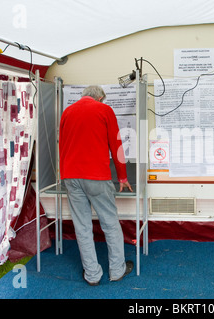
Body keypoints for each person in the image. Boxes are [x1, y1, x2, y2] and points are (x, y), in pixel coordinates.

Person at [59, 85, 133, 286]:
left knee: (82, 226)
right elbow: (116, 145)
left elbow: (62, 145)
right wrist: (123, 177)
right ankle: (117, 271)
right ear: (100, 98)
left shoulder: (67, 112)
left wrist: (64, 174)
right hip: (97, 177)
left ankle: (92, 275)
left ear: (83, 96)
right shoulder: (104, 110)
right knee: (109, 223)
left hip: (70, 176)